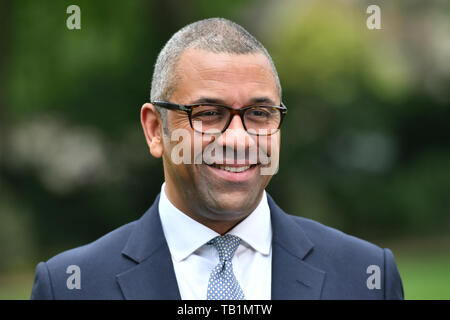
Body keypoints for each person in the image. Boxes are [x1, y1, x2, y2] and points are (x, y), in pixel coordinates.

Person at [30, 17, 404, 300]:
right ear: (155, 130)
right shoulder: (70, 286)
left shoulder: (366, 277)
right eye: (208, 113)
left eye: (260, 113)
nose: (239, 139)